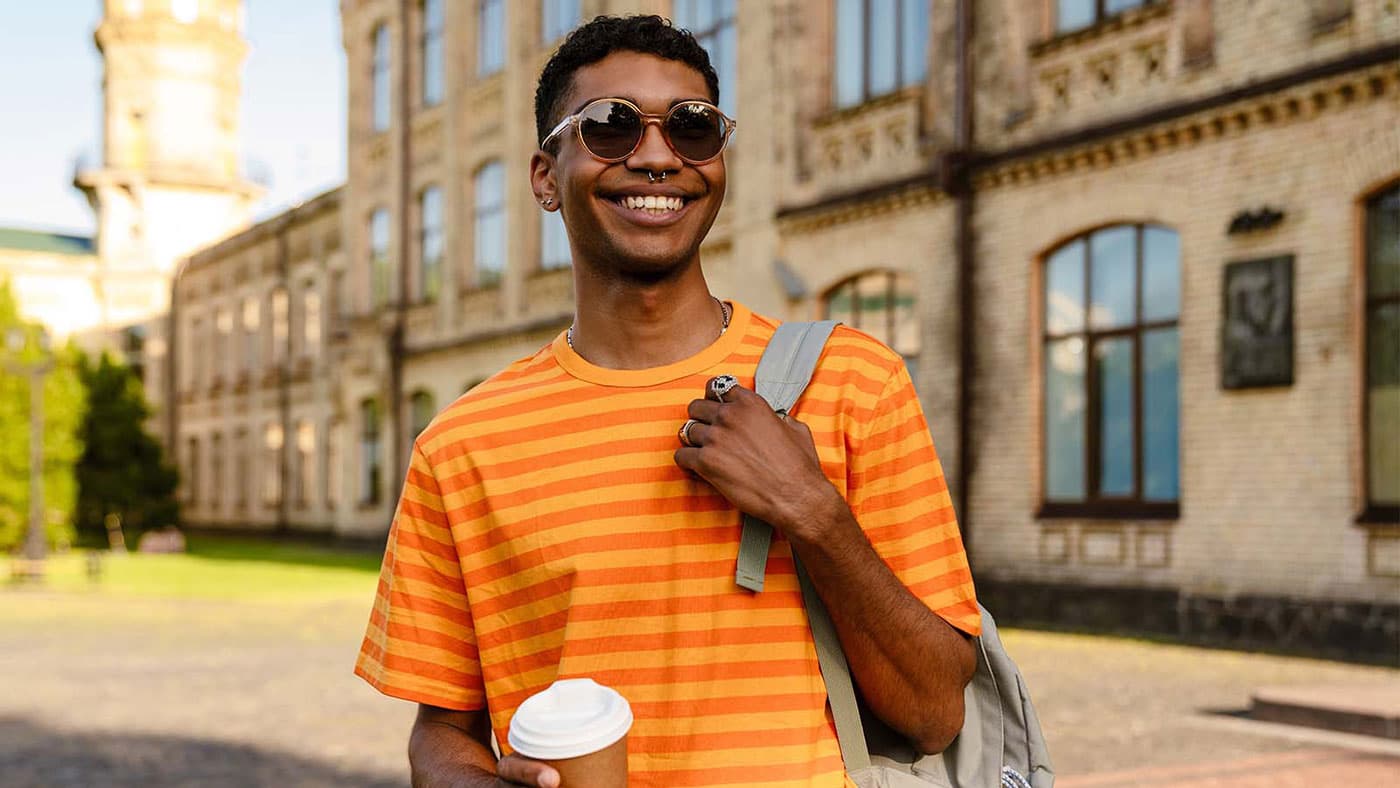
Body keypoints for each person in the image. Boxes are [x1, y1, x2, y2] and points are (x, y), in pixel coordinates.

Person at [354, 15, 980, 788]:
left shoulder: (855, 380)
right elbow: (442, 734)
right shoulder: (462, 445)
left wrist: (811, 509)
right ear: (545, 177)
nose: (657, 156)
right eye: (611, 126)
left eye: (692, 127)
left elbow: (935, 713)